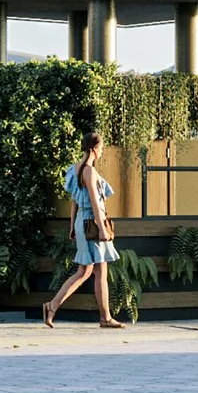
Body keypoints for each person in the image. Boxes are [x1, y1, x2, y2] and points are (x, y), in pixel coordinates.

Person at [43, 129, 125, 327]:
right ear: (94, 148)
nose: (103, 151)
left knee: (84, 271)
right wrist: (102, 228)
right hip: (91, 223)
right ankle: (105, 318)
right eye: (102, 147)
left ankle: (52, 307)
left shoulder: (76, 169)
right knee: (98, 271)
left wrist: (72, 226)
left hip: (82, 222)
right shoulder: (89, 171)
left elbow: (74, 202)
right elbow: (96, 203)